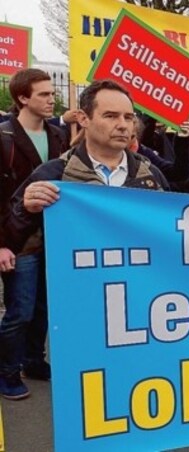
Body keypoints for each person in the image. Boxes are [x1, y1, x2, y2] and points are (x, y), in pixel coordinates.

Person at [1, 80, 169, 401]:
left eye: (128, 117)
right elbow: (12, 230)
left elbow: (173, 233)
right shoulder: (54, 174)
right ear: (86, 119)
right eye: (110, 116)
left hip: (135, 300)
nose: (122, 125)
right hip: (77, 303)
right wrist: (26, 207)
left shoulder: (151, 176)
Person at [0, 68, 67, 400]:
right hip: (18, 241)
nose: (51, 98)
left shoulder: (58, 136)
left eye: (52, 93)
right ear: (22, 98)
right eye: (43, 94)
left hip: (52, 239)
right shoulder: (4, 138)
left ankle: (33, 362)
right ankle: (7, 371)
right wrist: (1, 245)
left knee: (43, 307)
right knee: (20, 311)